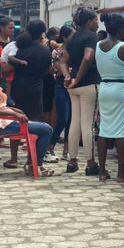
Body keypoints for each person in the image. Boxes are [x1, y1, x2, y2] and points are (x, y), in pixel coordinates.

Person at [0, 55, 55, 177]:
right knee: (47, 129)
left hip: (3, 123)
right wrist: (13, 113)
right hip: (4, 125)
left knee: (41, 128)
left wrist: (15, 110)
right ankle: (36, 165)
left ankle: (32, 163)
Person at [96, 14, 124, 183]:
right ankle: (121, 174)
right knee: (122, 132)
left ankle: (102, 171)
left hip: (104, 88)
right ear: (121, 29)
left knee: (104, 129)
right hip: (122, 90)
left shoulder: (98, 45)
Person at [60, 8, 102, 176]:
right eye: (96, 20)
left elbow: (62, 60)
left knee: (75, 122)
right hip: (89, 83)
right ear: (89, 21)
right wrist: (77, 78)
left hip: (73, 86)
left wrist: (68, 76)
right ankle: (90, 163)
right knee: (87, 123)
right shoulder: (92, 37)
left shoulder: (72, 38)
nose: (97, 23)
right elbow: (88, 57)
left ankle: (72, 162)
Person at [4, 20, 50, 129]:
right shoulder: (45, 50)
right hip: (37, 87)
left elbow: (8, 68)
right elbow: (47, 70)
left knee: (18, 119)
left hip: (19, 87)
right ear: (42, 33)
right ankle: (32, 140)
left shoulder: (20, 48)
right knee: (34, 120)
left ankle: (17, 141)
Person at [50, 25, 73, 160]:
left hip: (72, 86)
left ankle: (66, 150)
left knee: (70, 120)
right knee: (62, 119)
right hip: (61, 86)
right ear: (64, 37)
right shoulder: (57, 51)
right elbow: (58, 69)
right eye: (71, 35)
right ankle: (50, 147)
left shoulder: (75, 50)